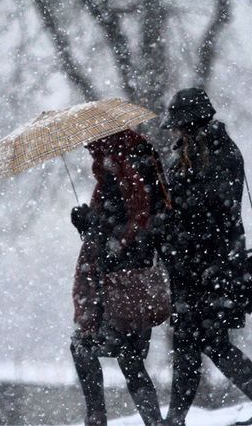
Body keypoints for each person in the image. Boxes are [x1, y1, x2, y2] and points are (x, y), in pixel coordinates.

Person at [159, 88, 252, 426]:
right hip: (190, 266)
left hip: (209, 266)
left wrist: (176, 214)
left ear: (191, 123)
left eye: (179, 126)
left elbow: (218, 212)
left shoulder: (220, 154)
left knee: (205, 341)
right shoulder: (189, 156)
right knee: (195, 343)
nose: (174, 132)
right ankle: (177, 418)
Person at [69, 127, 170, 426]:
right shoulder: (129, 165)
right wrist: (88, 224)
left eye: (92, 144)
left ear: (105, 140)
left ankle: (96, 417)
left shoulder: (123, 170)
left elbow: (131, 225)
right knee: (129, 357)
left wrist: (98, 230)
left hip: (121, 282)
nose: (89, 149)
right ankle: (150, 422)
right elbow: (126, 222)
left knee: (86, 347)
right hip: (132, 280)